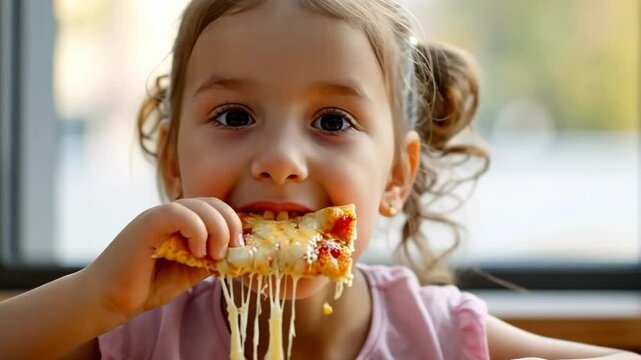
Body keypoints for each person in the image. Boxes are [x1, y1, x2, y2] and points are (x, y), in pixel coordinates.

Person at [1, 0, 639, 359]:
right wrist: (96, 297)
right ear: (173, 160)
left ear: (396, 175)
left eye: (332, 120)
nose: (280, 159)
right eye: (234, 115)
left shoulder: (441, 339)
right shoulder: (138, 333)